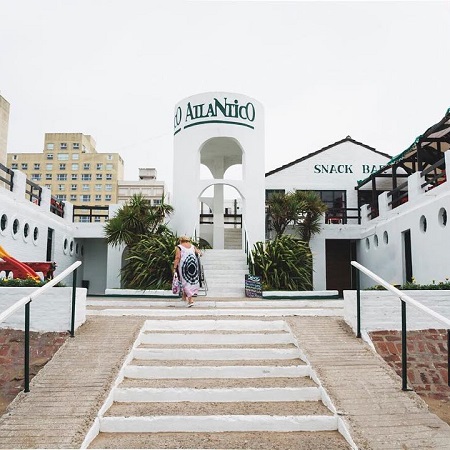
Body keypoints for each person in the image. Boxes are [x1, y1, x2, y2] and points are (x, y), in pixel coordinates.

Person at [172, 236, 202, 307]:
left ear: (181, 240)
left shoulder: (179, 247)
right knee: (190, 281)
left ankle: (190, 300)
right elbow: (200, 253)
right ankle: (184, 298)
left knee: (185, 282)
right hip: (193, 266)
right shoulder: (192, 246)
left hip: (184, 267)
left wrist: (174, 267)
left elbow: (177, 258)